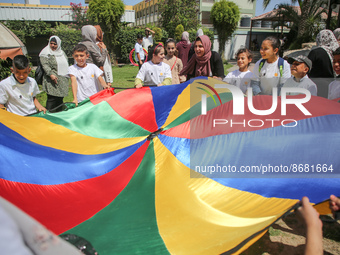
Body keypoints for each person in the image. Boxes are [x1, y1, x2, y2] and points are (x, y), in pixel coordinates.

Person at [39, 35, 69, 112]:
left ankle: (59, 114)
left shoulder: (62, 53)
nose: (53, 45)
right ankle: (50, 115)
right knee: (52, 99)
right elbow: (45, 65)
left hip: (62, 79)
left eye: (55, 44)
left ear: (58, 44)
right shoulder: (46, 53)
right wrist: (51, 74)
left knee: (60, 99)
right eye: (51, 43)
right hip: (52, 79)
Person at [308, 30, 338, 97]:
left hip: (316, 87)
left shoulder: (316, 52)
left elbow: (306, 67)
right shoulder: (335, 51)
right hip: (332, 87)